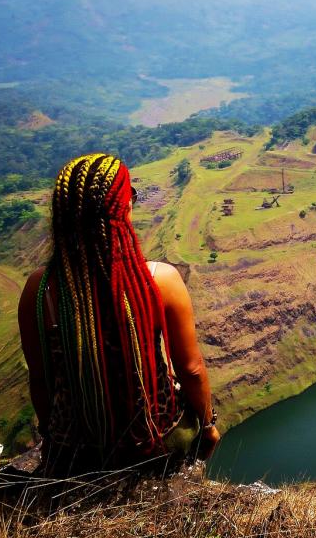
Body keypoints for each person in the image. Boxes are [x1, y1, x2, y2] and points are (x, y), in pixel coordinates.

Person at [17, 153, 219, 475]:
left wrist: (52, 438)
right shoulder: (159, 280)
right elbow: (191, 369)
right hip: (153, 444)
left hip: (75, 454)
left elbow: (41, 381)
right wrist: (208, 425)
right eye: (131, 197)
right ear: (122, 209)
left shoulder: (39, 291)